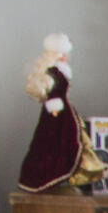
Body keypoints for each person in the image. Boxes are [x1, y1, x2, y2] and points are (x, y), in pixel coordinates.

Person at [17, 33, 82, 193]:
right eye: (63, 53)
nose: (65, 56)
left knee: (65, 141)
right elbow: (53, 93)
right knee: (53, 142)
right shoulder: (54, 72)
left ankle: (64, 175)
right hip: (56, 112)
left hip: (63, 111)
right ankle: (50, 176)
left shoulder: (61, 70)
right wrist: (54, 108)